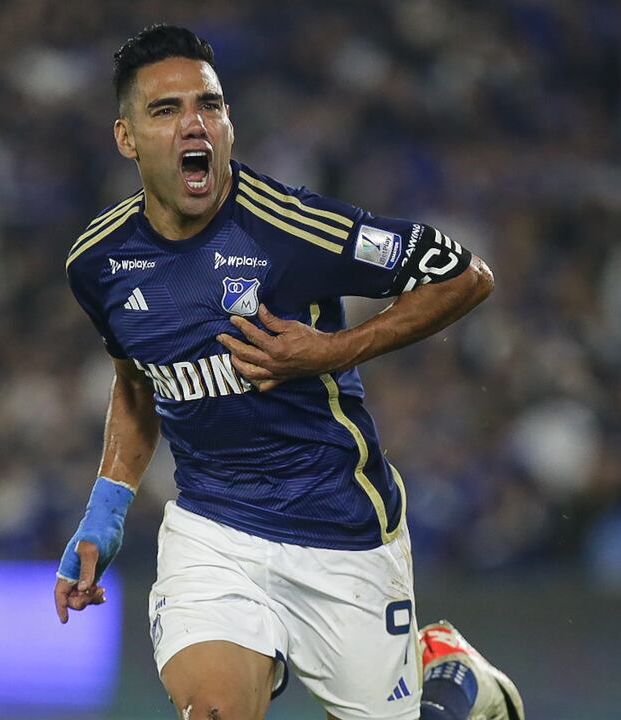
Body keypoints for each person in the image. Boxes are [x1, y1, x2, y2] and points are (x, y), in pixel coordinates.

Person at [54, 25, 523, 720]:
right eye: (167, 110)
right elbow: (135, 382)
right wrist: (105, 513)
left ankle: (453, 677)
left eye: (209, 106)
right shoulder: (99, 264)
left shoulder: (290, 228)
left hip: (341, 529)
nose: (195, 124)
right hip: (216, 529)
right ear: (127, 138)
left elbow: (465, 274)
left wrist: (334, 350)